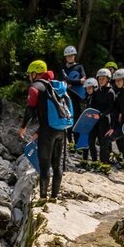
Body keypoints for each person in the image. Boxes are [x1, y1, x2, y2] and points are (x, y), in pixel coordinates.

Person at [19, 59, 68, 201]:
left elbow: (30, 109)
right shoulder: (55, 86)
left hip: (48, 131)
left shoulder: (36, 86)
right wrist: (38, 131)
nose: (29, 76)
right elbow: (52, 112)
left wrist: (23, 127)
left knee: (44, 164)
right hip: (61, 129)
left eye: (30, 74)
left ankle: (42, 198)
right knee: (57, 164)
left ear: (35, 73)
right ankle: (54, 197)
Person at [92, 67, 116, 170]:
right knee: (94, 140)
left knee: (103, 142)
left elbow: (111, 108)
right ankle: (97, 161)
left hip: (105, 119)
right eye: (99, 78)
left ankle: (105, 163)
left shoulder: (111, 92)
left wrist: (101, 115)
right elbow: (92, 104)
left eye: (103, 78)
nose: (101, 80)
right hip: (95, 119)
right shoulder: (96, 91)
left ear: (108, 79)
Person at [58, 46, 87, 125]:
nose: (70, 57)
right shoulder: (63, 68)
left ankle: (76, 134)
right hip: (66, 94)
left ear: (74, 56)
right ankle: (68, 134)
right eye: (68, 56)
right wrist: (78, 81)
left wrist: (70, 82)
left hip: (76, 95)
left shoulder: (79, 66)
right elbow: (63, 80)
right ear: (65, 57)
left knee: (77, 114)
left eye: (71, 55)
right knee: (66, 114)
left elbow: (84, 80)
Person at [80, 77, 100, 167]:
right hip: (87, 122)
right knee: (85, 141)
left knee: (91, 142)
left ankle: (94, 161)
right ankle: (84, 160)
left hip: (94, 123)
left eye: (90, 88)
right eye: (87, 88)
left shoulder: (97, 98)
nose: (88, 90)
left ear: (95, 87)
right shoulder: (87, 97)